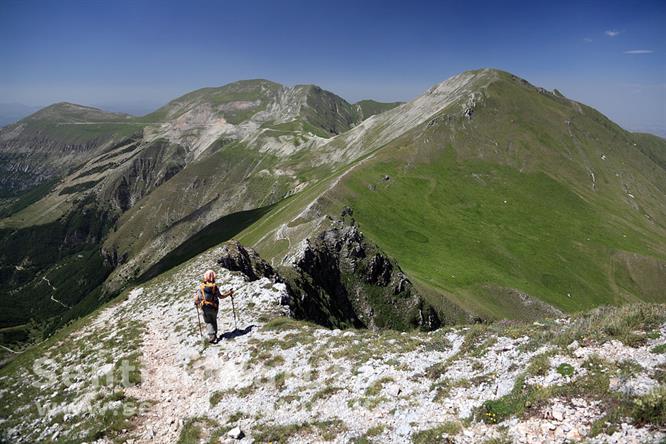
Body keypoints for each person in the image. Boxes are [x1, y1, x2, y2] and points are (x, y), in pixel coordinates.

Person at [194, 270, 233, 343]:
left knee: (208, 321)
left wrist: (196, 303)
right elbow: (221, 296)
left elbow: (197, 299)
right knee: (214, 320)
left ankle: (212, 336)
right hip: (214, 307)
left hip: (204, 307)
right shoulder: (215, 287)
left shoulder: (201, 287)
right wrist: (229, 293)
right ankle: (214, 335)